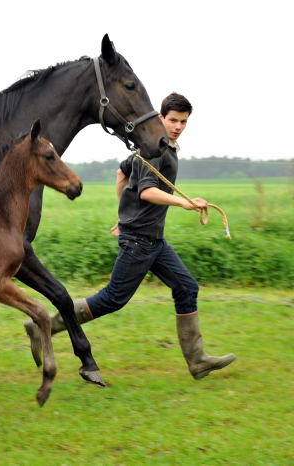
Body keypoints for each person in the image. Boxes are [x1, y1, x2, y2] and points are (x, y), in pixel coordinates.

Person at [25, 93, 236, 380]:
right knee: (112, 299)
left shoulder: (158, 146)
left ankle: (197, 361)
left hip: (153, 240)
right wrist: (183, 203)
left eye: (183, 122)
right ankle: (43, 324)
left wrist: (122, 213)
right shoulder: (156, 151)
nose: (177, 126)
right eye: (172, 120)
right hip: (139, 241)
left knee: (186, 287)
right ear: (161, 117)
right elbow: (147, 190)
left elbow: (121, 172)